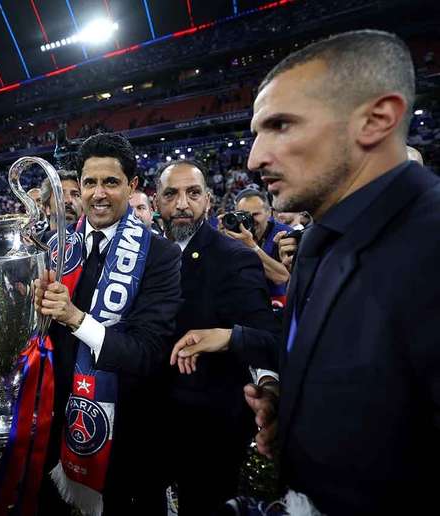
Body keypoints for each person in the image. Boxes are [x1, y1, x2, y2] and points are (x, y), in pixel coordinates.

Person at [172, 30, 440, 514]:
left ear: (377, 119)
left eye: (281, 126)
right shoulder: (320, 239)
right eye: (256, 132)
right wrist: (290, 404)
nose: (254, 159)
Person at [36, 133, 181, 515]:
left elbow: (148, 353)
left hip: (130, 434)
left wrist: (75, 318)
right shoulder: (55, 248)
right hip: (58, 423)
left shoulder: (160, 254)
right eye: (89, 183)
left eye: (111, 182)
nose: (98, 194)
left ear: (132, 186)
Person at [155, 161, 279, 515]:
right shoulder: (143, 258)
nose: (182, 204)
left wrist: (227, 337)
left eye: (192, 193)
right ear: (157, 201)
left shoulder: (234, 258)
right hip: (153, 421)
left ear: (208, 201)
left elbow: (271, 340)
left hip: (212, 430)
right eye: (171, 194)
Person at [222, 189, 291, 304]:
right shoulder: (231, 235)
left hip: (276, 304)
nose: (250, 220)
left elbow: (281, 277)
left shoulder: (284, 234)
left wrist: (250, 245)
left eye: (255, 214)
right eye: (244, 215)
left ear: (269, 213)